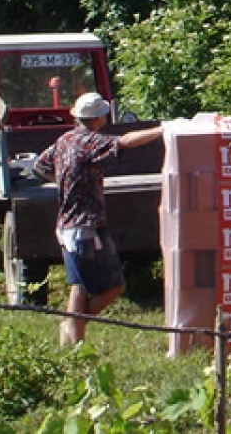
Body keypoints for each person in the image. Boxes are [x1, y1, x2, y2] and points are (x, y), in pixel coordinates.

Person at [33, 92, 164, 344]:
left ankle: (75, 340)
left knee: (78, 287)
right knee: (114, 287)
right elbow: (125, 142)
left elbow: (40, 166)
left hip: (68, 225)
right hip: (85, 227)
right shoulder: (89, 141)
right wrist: (160, 130)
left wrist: (65, 181)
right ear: (98, 117)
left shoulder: (65, 140)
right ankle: (73, 325)